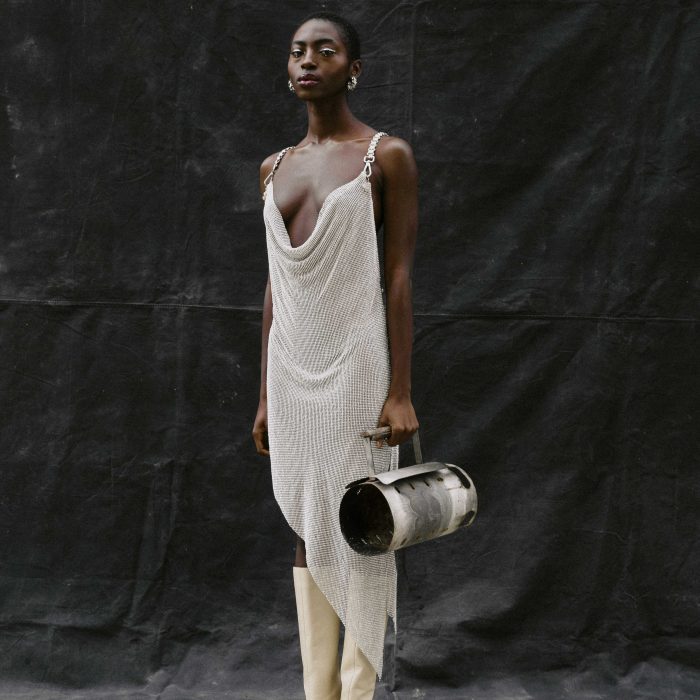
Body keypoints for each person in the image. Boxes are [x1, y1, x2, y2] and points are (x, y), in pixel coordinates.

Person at [252, 11, 419, 699]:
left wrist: (400, 390)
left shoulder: (386, 156)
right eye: (298, 51)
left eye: (325, 50)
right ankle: (317, 691)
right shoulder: (273, 168)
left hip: (356, 368)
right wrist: (265, 393)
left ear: (353, 69)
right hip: (291, 374)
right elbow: (275, 286)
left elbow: (398, 277)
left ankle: (357, 690)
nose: (307, 61)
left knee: (362, 520)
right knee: (307, 524)